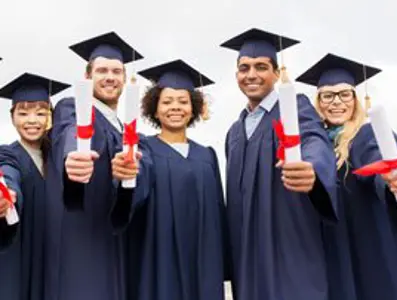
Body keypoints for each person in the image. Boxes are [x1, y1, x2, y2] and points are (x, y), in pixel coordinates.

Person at [220, 28, 337, 300]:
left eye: (261, 67)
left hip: (287, 245)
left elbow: (314, 140)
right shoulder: (234, 132)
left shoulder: (294, 108)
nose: (251, 74)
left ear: (276, 72)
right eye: (244, 68)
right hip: (247, 253)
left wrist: (312, 169)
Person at [111, 59, 227, 300]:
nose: (175, 107)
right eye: (167, 102)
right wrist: (127, 174)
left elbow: (218, 213)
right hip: (158, 255)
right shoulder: (144, 147)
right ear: (154, 109)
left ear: (194, 109)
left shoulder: (207, 155)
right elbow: (135, 184)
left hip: (202, 257)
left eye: (183, 102)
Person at [44, 31, 144, 300]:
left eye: (116, 71)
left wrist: (132, 173)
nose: (109, 77)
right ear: (88, 77)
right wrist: (73, 156)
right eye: (101, 70)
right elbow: (71, 130)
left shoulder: (126, 128)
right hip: (82, 236)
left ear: (125, 79)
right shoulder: (72, 106)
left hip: (112, 237)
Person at [297, 53, 397, 300]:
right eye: (328, 95)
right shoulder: (316, 144)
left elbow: (377, 155)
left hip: (370, 243)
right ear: (318, 102)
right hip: (331, 245)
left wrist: (387, 175)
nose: (336, 102)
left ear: (356, 100)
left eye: (344, 94)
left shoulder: (366, 133)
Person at [0, 73, 69, 300]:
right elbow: (9, 175)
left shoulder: (59, 157)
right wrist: (9, 195)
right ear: (12, 118)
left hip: (56, 253)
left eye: (41, 113)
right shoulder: (8, 153)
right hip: (21, 253)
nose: (32, 120)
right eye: (23, 113)